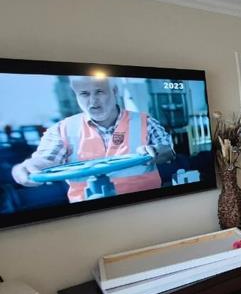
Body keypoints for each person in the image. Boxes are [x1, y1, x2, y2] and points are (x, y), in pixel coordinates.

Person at [11, 76, 175, 202]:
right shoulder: (62, 130)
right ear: (76, 96)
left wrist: (156, 151)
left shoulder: (144, 121)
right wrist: (25, 168)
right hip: (89, 214)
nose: (93, 101)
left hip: (145, 205)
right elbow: (45, 160)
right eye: (84, 94)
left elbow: (168, 150)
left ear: (114, 92)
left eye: (99, 92)